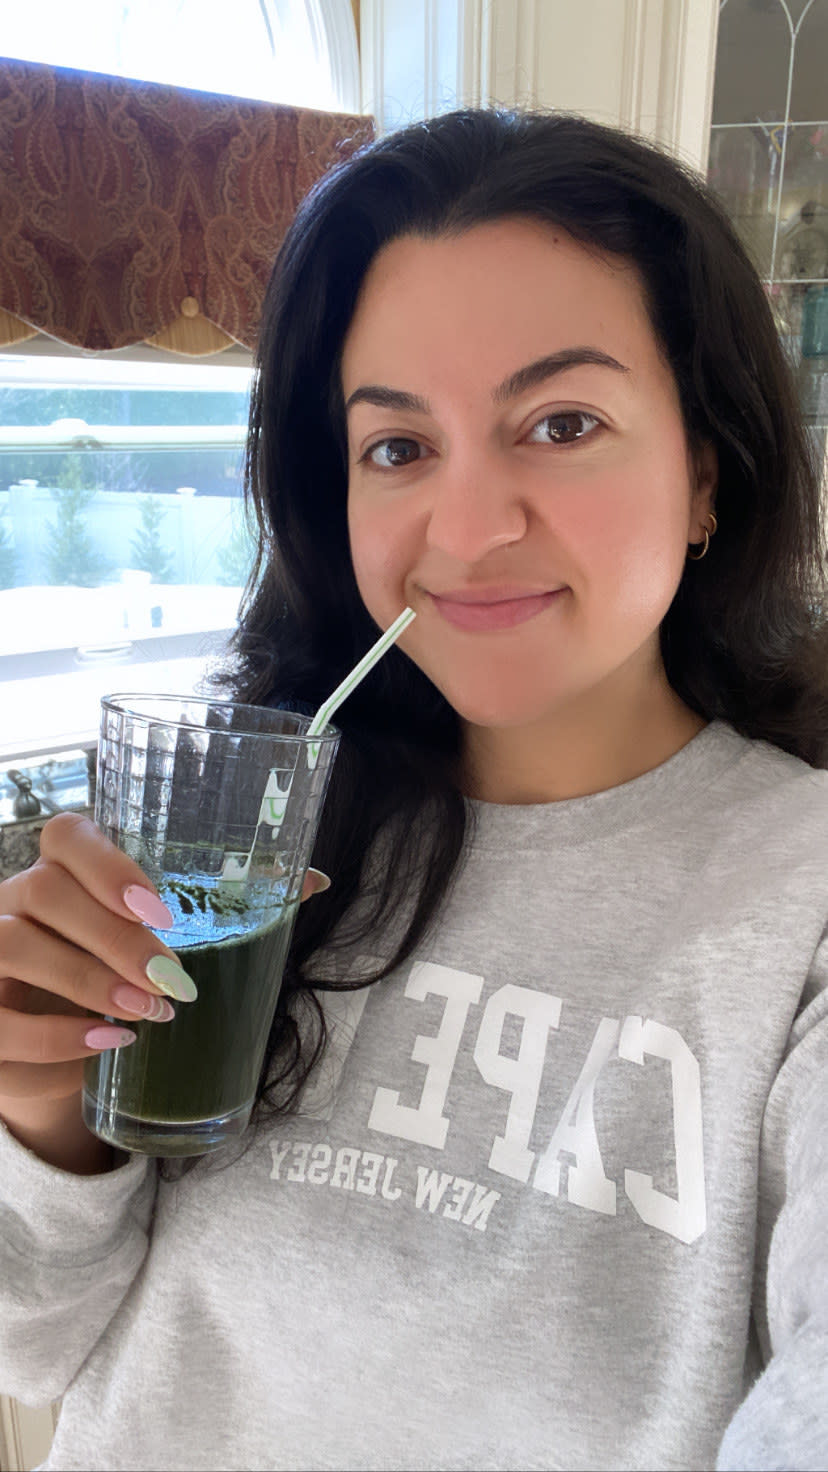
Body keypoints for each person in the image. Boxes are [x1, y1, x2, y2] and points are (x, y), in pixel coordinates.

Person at [1, 105, 827, 1472]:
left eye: (561, 423)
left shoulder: (794, 902)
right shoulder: (244, 839)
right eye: (397, 447)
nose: (467, 530)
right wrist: (46, 1112)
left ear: (706, 478)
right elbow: (38, 1347)